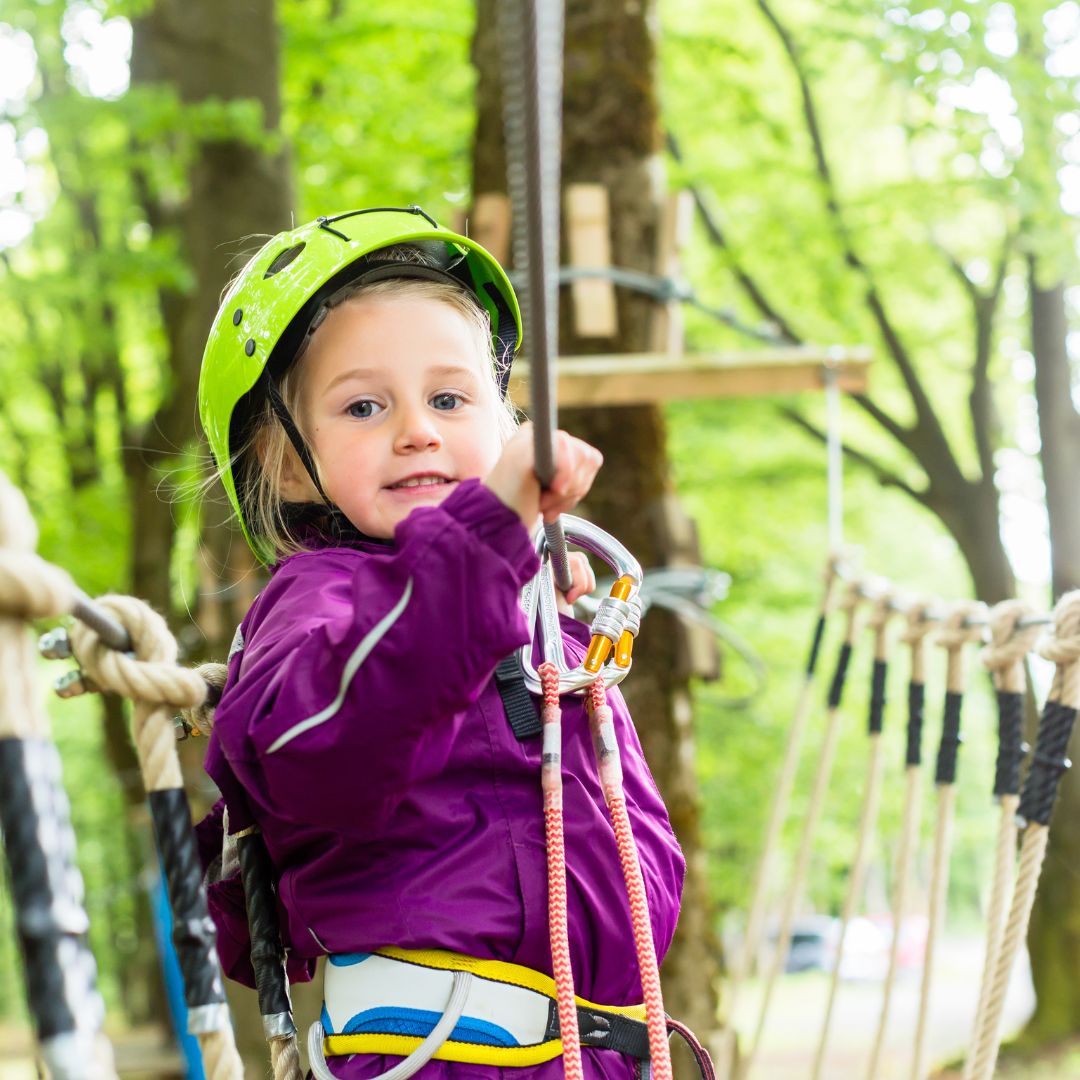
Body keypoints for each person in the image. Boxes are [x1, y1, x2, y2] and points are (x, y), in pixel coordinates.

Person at [195, 205, 686, 1079]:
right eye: (364, 405)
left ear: (503, 423)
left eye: (450, 398)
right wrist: (486, 538)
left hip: (595, 1049)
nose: (417, 428)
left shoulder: (533, 616)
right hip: (444, 1050)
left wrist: (522, 589)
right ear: (284, 462)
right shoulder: (320, 604)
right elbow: (333, 746)